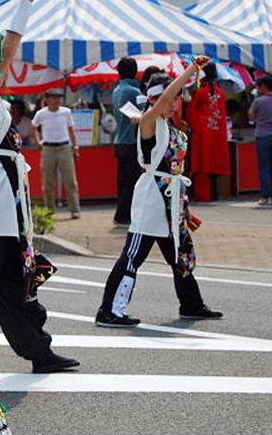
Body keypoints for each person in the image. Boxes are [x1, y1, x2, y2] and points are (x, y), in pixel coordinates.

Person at [0, 0, 79, 374]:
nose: (7, 66)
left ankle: (38, 351)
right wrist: (25, 5)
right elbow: (6, 55)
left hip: (2, 213)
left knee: (15, 289)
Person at [95, 63, 223, 327]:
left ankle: (192, 304)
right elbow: (164, 99)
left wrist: (184, 208)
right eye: (171, 97)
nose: (175, 102)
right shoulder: (149, 121)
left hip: (173, 199)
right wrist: (189, 73)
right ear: (153, 98)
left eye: (177, 98)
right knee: (132, 256)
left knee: (181, 254)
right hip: (152, 198)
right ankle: (109, 310)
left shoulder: (171, 126)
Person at [33, 90, 81, 218]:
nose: (57, 100)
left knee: (70, 180)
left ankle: (75, 210)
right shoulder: (41, 113)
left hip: (65, 146)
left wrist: (75, 146)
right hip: (48, 148)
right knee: (48, 181)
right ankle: (50, 210)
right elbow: (35, 127)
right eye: (54, 97)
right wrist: (38, 141)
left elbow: (71, 130)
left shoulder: (66, 112)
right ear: (47, 99)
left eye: (59, 97)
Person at [188, 63, 231, 202]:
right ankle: (214, 194)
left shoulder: (201, 93)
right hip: (218, 133)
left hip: (203, 134)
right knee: (214, 164)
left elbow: (191, 113)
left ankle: (204, 195)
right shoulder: (222, 94)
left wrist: (195, 128)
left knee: (202, 165)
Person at [111, 57, 141, 226]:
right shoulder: (133, 92)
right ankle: (124, 214)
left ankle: (121, 214)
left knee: (123, 180)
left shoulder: (117, 90)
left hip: (120, 140)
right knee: (132, 181)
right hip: (131, 142)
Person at [248, 77, 272, 206]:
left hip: (262, 134)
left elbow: (251, 116)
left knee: (264, 167)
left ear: (264, 86)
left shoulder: (259, 101)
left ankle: (265, 196)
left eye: (259, 87)